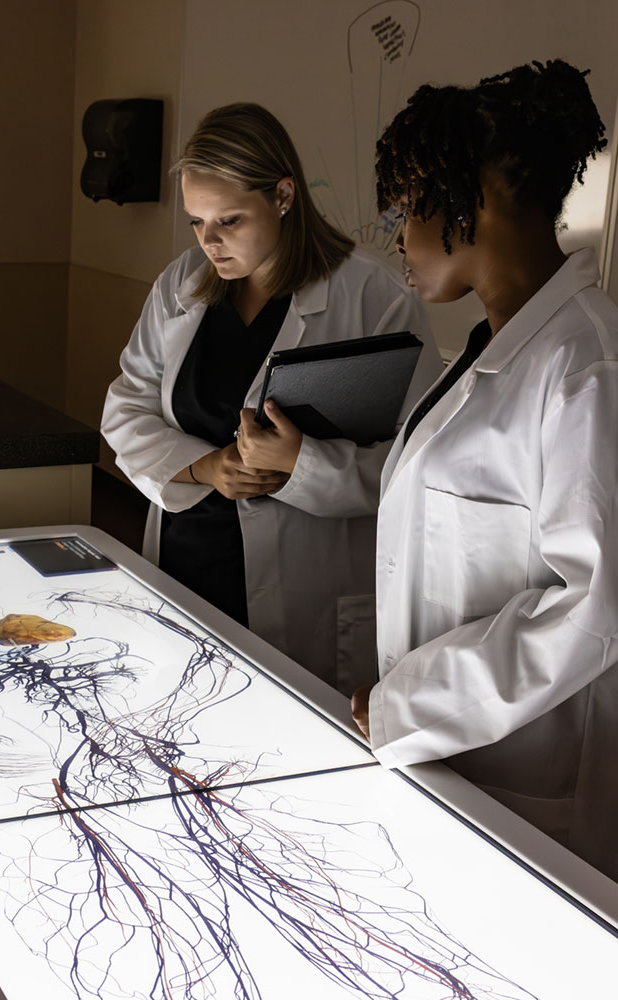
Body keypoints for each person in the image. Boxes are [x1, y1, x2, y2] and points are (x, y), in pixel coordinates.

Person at [350, 60, 618, 881]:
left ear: (487, 193)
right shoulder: (485, 348)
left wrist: (412, 704)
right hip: (447, 753)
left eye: (410, 205)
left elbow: (596, 606)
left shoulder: (585, 366)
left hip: (526, 778)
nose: (398, 234)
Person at [102, 103, 440, 693]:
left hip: (305, 592)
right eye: (196, 222)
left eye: (229, 220)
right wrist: (205, 465)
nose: (209, 242)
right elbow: (124, 406)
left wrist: (299, 466)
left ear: (283, 195)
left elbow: (419, 462)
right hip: (188, 566)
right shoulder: (182, 285)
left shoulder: (370, 296)